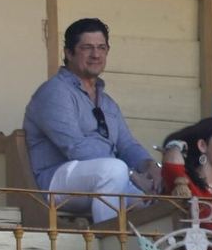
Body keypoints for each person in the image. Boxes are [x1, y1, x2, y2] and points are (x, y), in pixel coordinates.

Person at [23, 17, 160, 224]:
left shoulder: (108, 103)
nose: (96, 55)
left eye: (101, 48)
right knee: (114, 170)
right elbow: (75, 146)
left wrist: (151, 167)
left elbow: (127, 144)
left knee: (151, 195)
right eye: (87, 48)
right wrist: (132, 173)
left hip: (107, 178)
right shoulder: (54, 91)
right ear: (69, 53)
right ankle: (107, 243)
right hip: (55, 182)